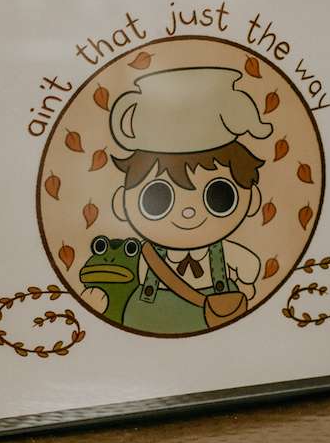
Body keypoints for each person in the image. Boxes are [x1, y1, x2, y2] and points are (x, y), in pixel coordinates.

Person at [105, 66, 270, 335]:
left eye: (219, 196)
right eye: (159, 198)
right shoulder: (147, 256)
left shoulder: (226, 253)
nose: (189, 212)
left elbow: (250, 269)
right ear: (119, 205)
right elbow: (249, 273)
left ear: (253, 200)